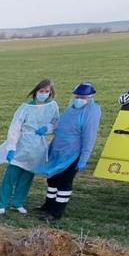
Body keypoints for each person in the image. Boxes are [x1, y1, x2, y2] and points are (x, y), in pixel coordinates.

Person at [0, 79, 59, 214]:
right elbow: (15, 127)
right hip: (23, 143)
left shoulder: (53, 106)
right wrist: (11, 147)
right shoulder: (25, 107)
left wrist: (47, 128)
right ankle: (1, 203)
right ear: (36, 92)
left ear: (50, 93)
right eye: (41, 91)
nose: (44, 94)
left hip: (38, 146)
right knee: (11, 175)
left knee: (27, 176)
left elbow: (56, 123)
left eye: (47, 91)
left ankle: (18, 202)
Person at [33, 82, 102, 221]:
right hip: (58, 149)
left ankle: (56, 212)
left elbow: (89, 137)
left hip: (72, 153)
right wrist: (47, 129)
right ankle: (48, 205)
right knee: (52, 179)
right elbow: (60, 125)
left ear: (90, 97)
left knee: (64, 181)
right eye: (77, 96)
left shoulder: (91, 112)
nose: (79, 99)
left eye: (83, 97)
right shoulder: (71, 109)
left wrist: (83, 158)